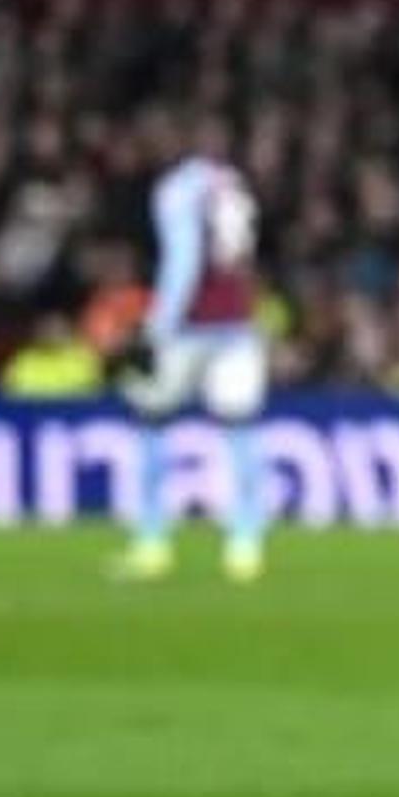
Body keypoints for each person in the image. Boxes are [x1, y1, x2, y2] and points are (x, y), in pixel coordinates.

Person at [113, 117, 277, 583]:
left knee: (150, 422)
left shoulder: (178, 189)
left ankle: (152, 543)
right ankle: (245, 547)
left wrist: (156, 328)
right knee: (241, 431)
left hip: (189, 327)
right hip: (239, 323)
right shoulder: (234, 185)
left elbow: (183, 260)